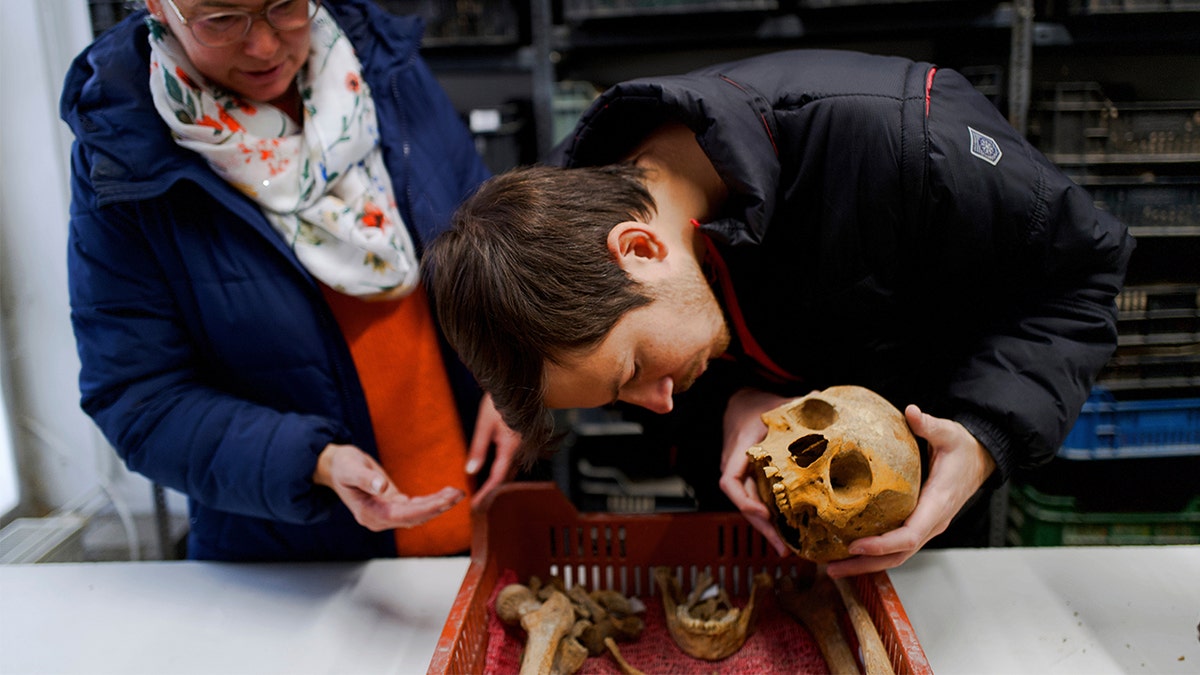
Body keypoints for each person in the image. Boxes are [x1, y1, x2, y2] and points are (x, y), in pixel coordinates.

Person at [422, 49, 1135, 576]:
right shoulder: (558, 235)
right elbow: (658, 385)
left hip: (922, 516)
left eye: (636, 369)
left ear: (638, 247)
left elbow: (1081, 272)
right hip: (769, 530)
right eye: (622, 392)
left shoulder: (904, 141)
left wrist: (986, 438)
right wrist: (728, 405)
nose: (657, 402)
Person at [61, 0, 522, 562]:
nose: (263, 46)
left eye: (284, 6)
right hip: (296, 563)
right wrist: (312, 461)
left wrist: (514, 368)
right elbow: (137, 397)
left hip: (474, 517)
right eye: (221, 21)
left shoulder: (381, 64)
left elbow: (491, 241)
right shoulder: (124, 144)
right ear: (159, 7)